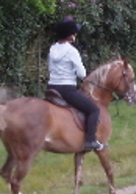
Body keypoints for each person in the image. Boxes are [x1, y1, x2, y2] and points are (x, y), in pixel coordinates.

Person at [48, 18, 106, 151]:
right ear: (71, 35)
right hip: (66, 89)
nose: (76, 35)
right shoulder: (72, 51)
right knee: (93, 110)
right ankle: (90, 141)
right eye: (75, 33)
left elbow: (51, 68)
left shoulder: (52, 49)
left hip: (51, 87)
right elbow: (82, 73)